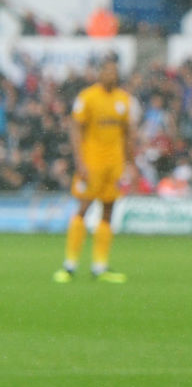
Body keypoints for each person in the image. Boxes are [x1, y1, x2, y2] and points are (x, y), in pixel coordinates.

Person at [53, 57, 136, 283]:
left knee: (108, 210)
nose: (111, 75)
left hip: (115, 164)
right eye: (107, 71)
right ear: (100, 74)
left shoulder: (123, 99)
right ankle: (69, 266)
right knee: (83, 207)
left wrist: (130, 163)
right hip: (92, 163)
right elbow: (75, 128)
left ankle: (100, 267)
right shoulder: (87, 97)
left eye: (114, 71)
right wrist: (80, 161)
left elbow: (127, 133)